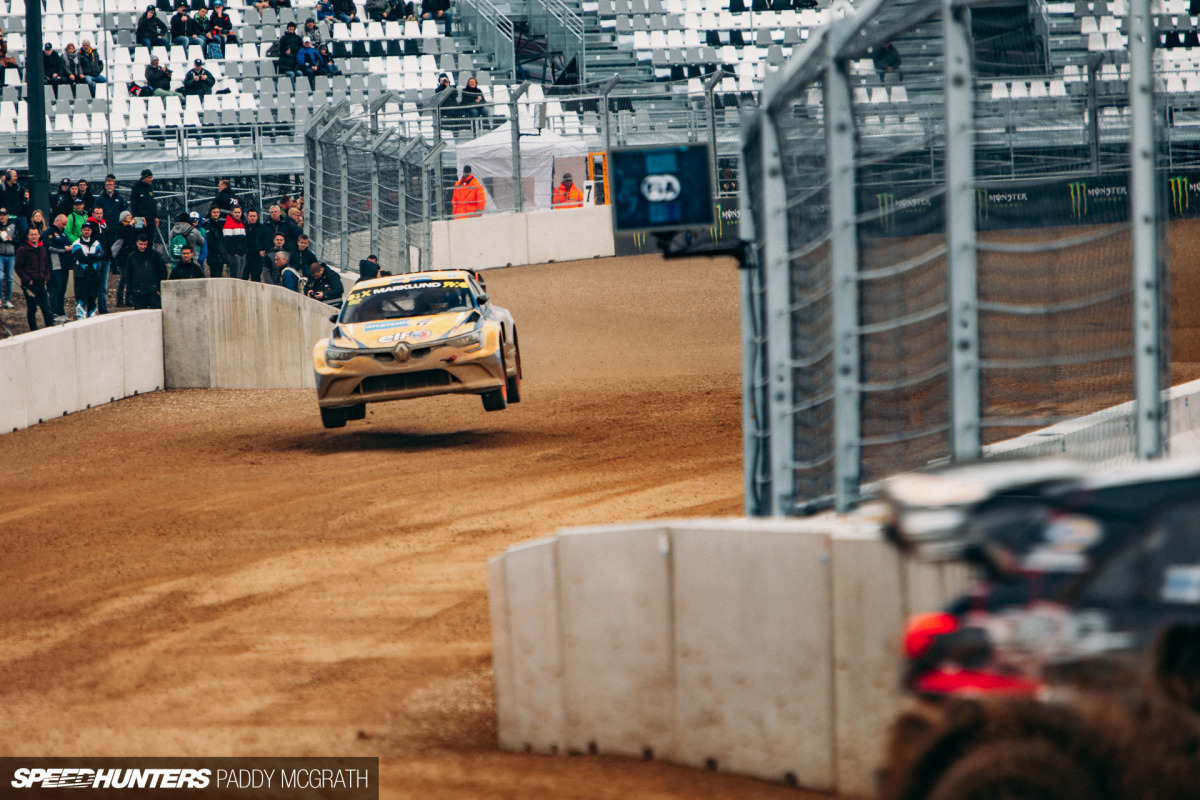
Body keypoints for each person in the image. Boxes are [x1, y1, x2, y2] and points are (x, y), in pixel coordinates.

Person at [15, 228, 54, 330]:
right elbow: (18, 267)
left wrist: (46, 277)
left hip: (41, 282)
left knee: (46, 307)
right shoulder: (23, 250)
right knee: (32, 308)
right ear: (28, 236)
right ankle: (33, 329)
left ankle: (50, 328)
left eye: (35, 234)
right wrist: (27, 279)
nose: (34, 236)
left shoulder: (42, 249)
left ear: (39, 236)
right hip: (30, 284)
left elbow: (46, 265)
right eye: (31, 234)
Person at [125, 234, 168, 309]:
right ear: (136, 243)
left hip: (153, 291)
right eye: (140, 244)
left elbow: (163, 272)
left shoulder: (155, 255)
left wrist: (159, 289)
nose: (143, 247)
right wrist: (130, 292)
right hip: (138, 292)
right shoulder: (132, 257)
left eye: (145, 244)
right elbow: (128, 275)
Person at [71, 221, 105, 318]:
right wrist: (93, 257)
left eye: (88, 230)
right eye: (85, 230)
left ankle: (92, 313)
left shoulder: (96, 243)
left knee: (93, 294)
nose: (86, 232)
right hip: (81, 273)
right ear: (81, 231)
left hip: (93, 272)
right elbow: (80, 258)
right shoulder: (76, 243)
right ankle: (81, 314)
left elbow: (101, 255)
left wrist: (89, 256)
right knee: (81, 294)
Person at [45, 214, 74, 320]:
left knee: (62, 290)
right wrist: (64, 249)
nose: (64, 226)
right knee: (54, 290)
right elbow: (49, 246)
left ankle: (61, 312)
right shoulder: (49, 232)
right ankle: (54, 313)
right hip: (55, 266)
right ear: (57, 221)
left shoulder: (63, 234)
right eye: (63, 224)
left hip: (64, 266)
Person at [87, 205, 112, 314]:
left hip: (106, 258)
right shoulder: (89, 225)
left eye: (100, 213)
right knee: (94, 284)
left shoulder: (104, 224)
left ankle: (103, 308)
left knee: (103, 285)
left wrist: (109, 255)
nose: (99, 215)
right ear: (93, 214)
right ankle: (92, 308)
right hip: (96, 259)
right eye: (97, 213)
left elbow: (108, 240)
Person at [221, 203, 249, 282]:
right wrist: (233, 253)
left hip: (242, 254)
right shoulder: (228, 224)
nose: (237, 214)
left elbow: (244, 240)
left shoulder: (241, 224)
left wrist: (245, 252)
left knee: (241, 275)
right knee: (235, 275)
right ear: (232, 213)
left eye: (239, 212)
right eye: (235, 212)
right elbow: (227, 241)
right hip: (235, 255)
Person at [130, 168, 158, 235]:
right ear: (144, 178)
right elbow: (134, 205)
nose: (151, 179)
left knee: (150, 238)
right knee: (140, 237)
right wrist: (138, 217)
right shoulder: (136, 188)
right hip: (139, 218)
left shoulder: (150, 187)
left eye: (151, 177)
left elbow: (153, 203)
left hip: (151, 218)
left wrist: (155, 216)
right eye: (149, 177)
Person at [203, 205, 226, 278]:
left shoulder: (220, 225)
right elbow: (210, 240)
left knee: (219, 274)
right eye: (214, 212)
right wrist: (218, 250)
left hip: (220, 255)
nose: (216, 214)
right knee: (214, 275)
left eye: (217, 212)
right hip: (212, 255)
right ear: (210, 213)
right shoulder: (208, 225)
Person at [0, 208, 16, 309]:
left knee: (10, 279)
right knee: (0, 277)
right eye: (0, 214)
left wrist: (10, 239)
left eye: (4, 214)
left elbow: (17, 240)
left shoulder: (13, 226)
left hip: (10, 255)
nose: (2, 216)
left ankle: (8, 300)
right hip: (0, 255)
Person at [242, 207, 262, 280]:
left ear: (257, 217)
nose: (252, 218)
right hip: (245, 256)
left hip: (257, 257)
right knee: (243, 278)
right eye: (251, 216)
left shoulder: (261, 228)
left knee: (256, 278)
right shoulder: (242, 227)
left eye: (254, 216)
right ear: (247, 216)